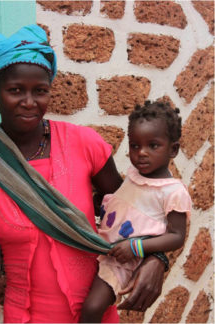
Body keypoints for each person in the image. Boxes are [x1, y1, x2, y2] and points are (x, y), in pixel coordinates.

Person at [0, 25, 166, 323]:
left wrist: (157, 259)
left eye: (40, 91)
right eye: (15, 90)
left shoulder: (83, 144)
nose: (30, 102)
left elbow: (136, 215)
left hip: (94, 315)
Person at [80, 101, 192, 323]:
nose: (141, 153)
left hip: (123, 261)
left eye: (153, 145)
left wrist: (136, 246)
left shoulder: (173, 192)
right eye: (135, 146)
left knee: (92, 308)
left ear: (173, 149)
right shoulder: (135, 175)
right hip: (102, 246)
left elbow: (177, 236)